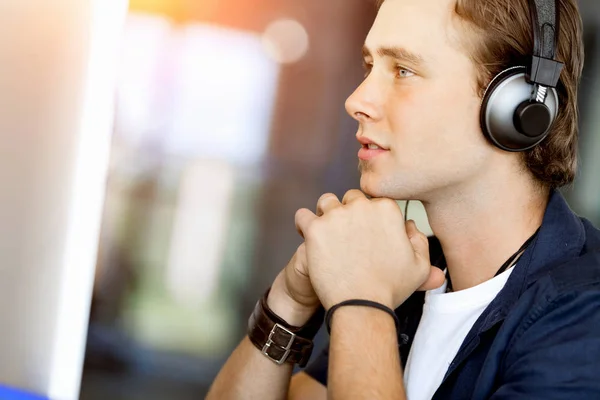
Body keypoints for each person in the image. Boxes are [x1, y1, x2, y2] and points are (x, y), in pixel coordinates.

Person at [207, 0, 600, 398]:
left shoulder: (584, 321)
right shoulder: (404, 279)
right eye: (369, 66)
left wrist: (363, 299)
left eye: (403, 71)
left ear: (519, 106)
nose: (357, 100)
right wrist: (289, 305)